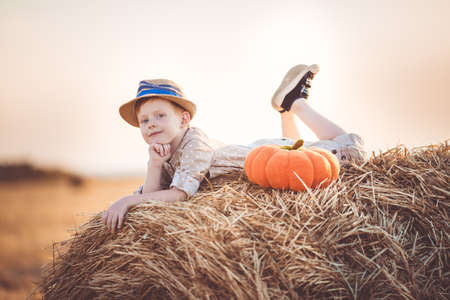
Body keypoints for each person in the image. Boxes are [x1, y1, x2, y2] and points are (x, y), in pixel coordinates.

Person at [102, 64, 367, 233]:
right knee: (297, 157)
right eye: (144, 120)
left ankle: (295, 102)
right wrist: (155, 165)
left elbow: (179, 195)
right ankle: (286, 110)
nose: (151, 124)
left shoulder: (195, 143)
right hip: (271, 155)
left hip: (269, 155)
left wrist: (127, 200)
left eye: (160, 116)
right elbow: (153, 197)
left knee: (353, 152)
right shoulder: (163, 153)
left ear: (183, 120)